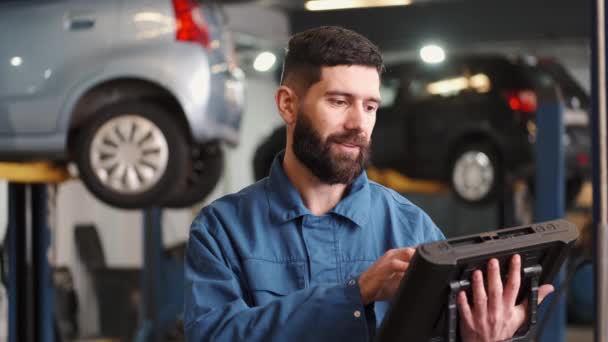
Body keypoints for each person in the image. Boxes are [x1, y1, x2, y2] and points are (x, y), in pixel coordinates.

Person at [184, 26, 553, 341]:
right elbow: (214, 334)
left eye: (371, 106)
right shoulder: (223, 229)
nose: (358, 124)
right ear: (288, 105)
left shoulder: (412, 228)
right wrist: (356, 294)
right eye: (339, 101)